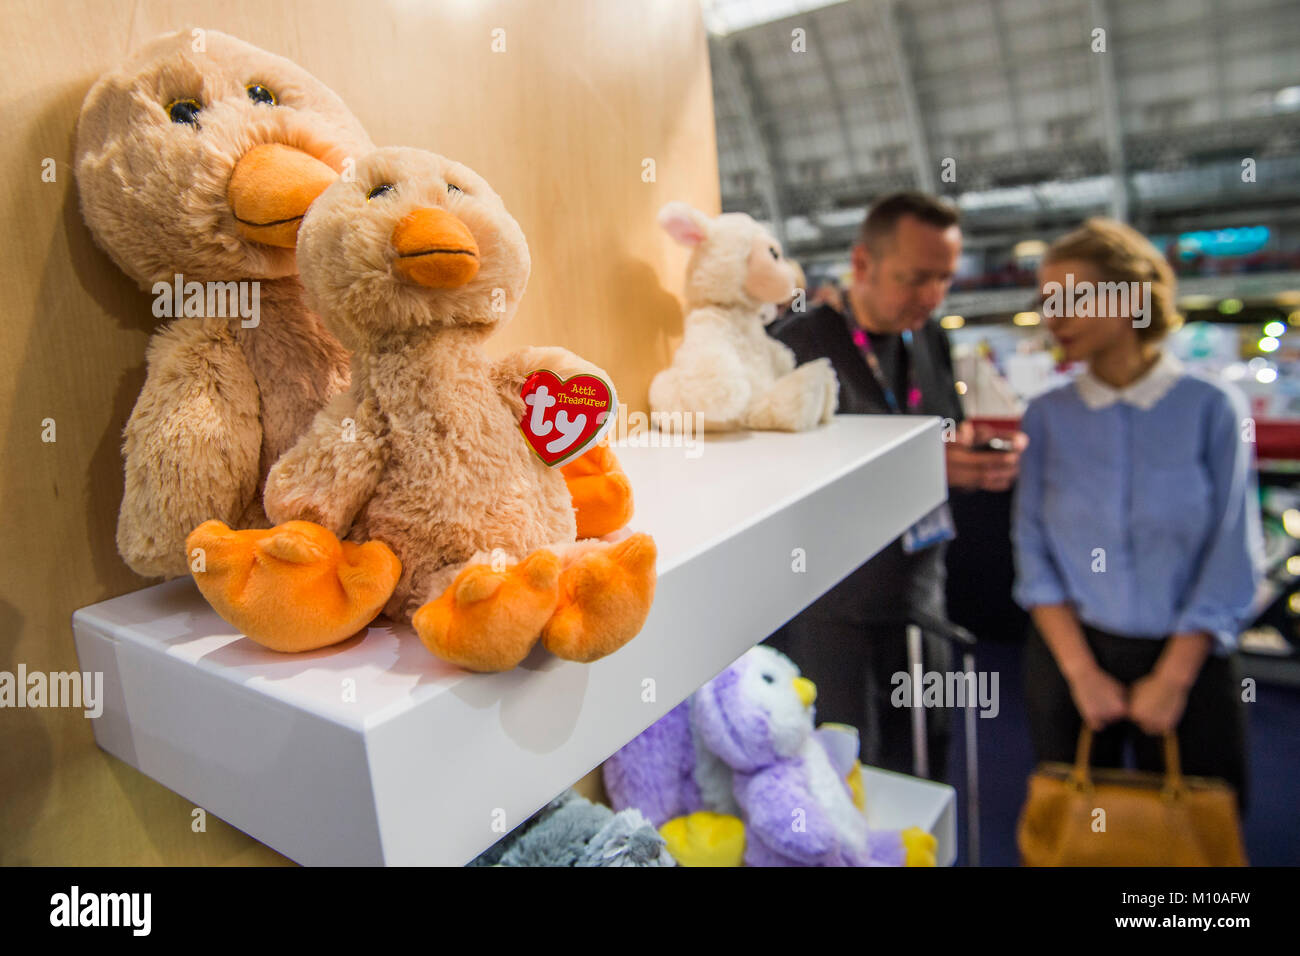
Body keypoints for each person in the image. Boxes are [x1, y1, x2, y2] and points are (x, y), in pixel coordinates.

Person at [765, 192, 1027, 778]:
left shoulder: (930, 336)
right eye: (915, 279)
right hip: (836, 605)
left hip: (920, 594)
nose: (932, 296)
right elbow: (788, 484)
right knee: (846, 776)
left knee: (925, 762)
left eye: (944, 279)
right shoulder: (798, 345)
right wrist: (923, 468)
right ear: (863, 264)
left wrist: (967, 456)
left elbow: (931, 429)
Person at [1013, 218, 1260, 806]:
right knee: (1075, 826)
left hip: (1190, 660)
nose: (1054, 317)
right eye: (1046, 302)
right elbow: (1033, 548)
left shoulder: (1212, 407)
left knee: (1194, 841)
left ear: (1128, 300)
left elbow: (1229, 550)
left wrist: (1172, 678)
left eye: (1069, 299)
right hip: (1071, 654)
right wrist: (1081, 672)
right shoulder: (1047, 416)